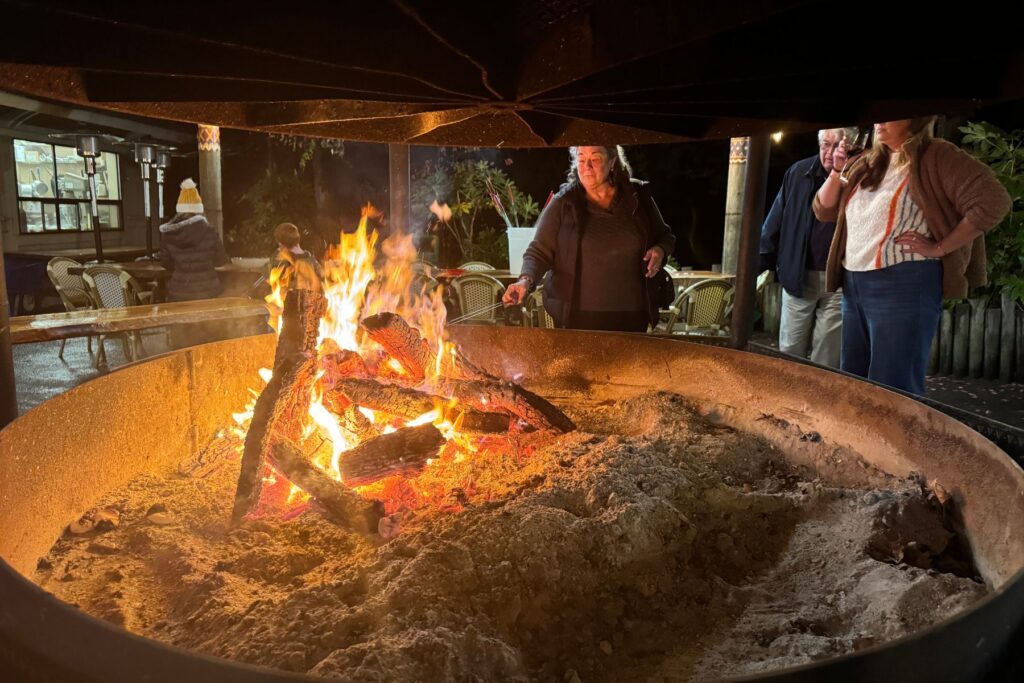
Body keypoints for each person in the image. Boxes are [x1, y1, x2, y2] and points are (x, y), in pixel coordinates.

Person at [813, 117, 1011, 395]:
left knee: (893, 385)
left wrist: (941, 247)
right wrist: (837, 171)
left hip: (903, 281)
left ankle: (897, 439)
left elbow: (993, 201)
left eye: (892, 114)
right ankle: (861, 438)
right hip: (855, 283)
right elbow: (823, 209)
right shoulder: (869, 161)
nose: (879, 122)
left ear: (916, 118)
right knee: (854, 380)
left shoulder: (936, 154)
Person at [502, 145, 675, 332]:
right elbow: (538, 252)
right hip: (578, 316)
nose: (587, 166)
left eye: (595, 158)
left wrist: (660, 250)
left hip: (633, 313)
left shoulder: (638, 196)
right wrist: (524, 281)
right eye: (581, 158)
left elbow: (666, 237)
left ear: (612, 162)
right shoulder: (563, 202)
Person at [760, 127, 857, 367]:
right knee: (790, 353)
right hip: (798, 275)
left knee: (827, 357)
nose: (830, 152)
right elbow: (775, 220)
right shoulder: (798, 173)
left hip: (839, 279)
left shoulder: (856, 175)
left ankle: (818, 402)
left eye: (837, 146)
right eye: (826, 145)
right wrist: (761, 262)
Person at [158, 178, 228, 301]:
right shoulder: (210, 232)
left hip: (179, 294)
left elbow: (165, 263)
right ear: (199, 209)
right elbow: (221, 260)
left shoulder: (169, 234)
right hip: (208, 294)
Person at [268, 222, 323, 292]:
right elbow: (321, 275)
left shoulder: (280, 258)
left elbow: (275, 283)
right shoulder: (310, 257)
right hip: (313, 297)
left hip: (293, 298)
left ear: (280, 243)